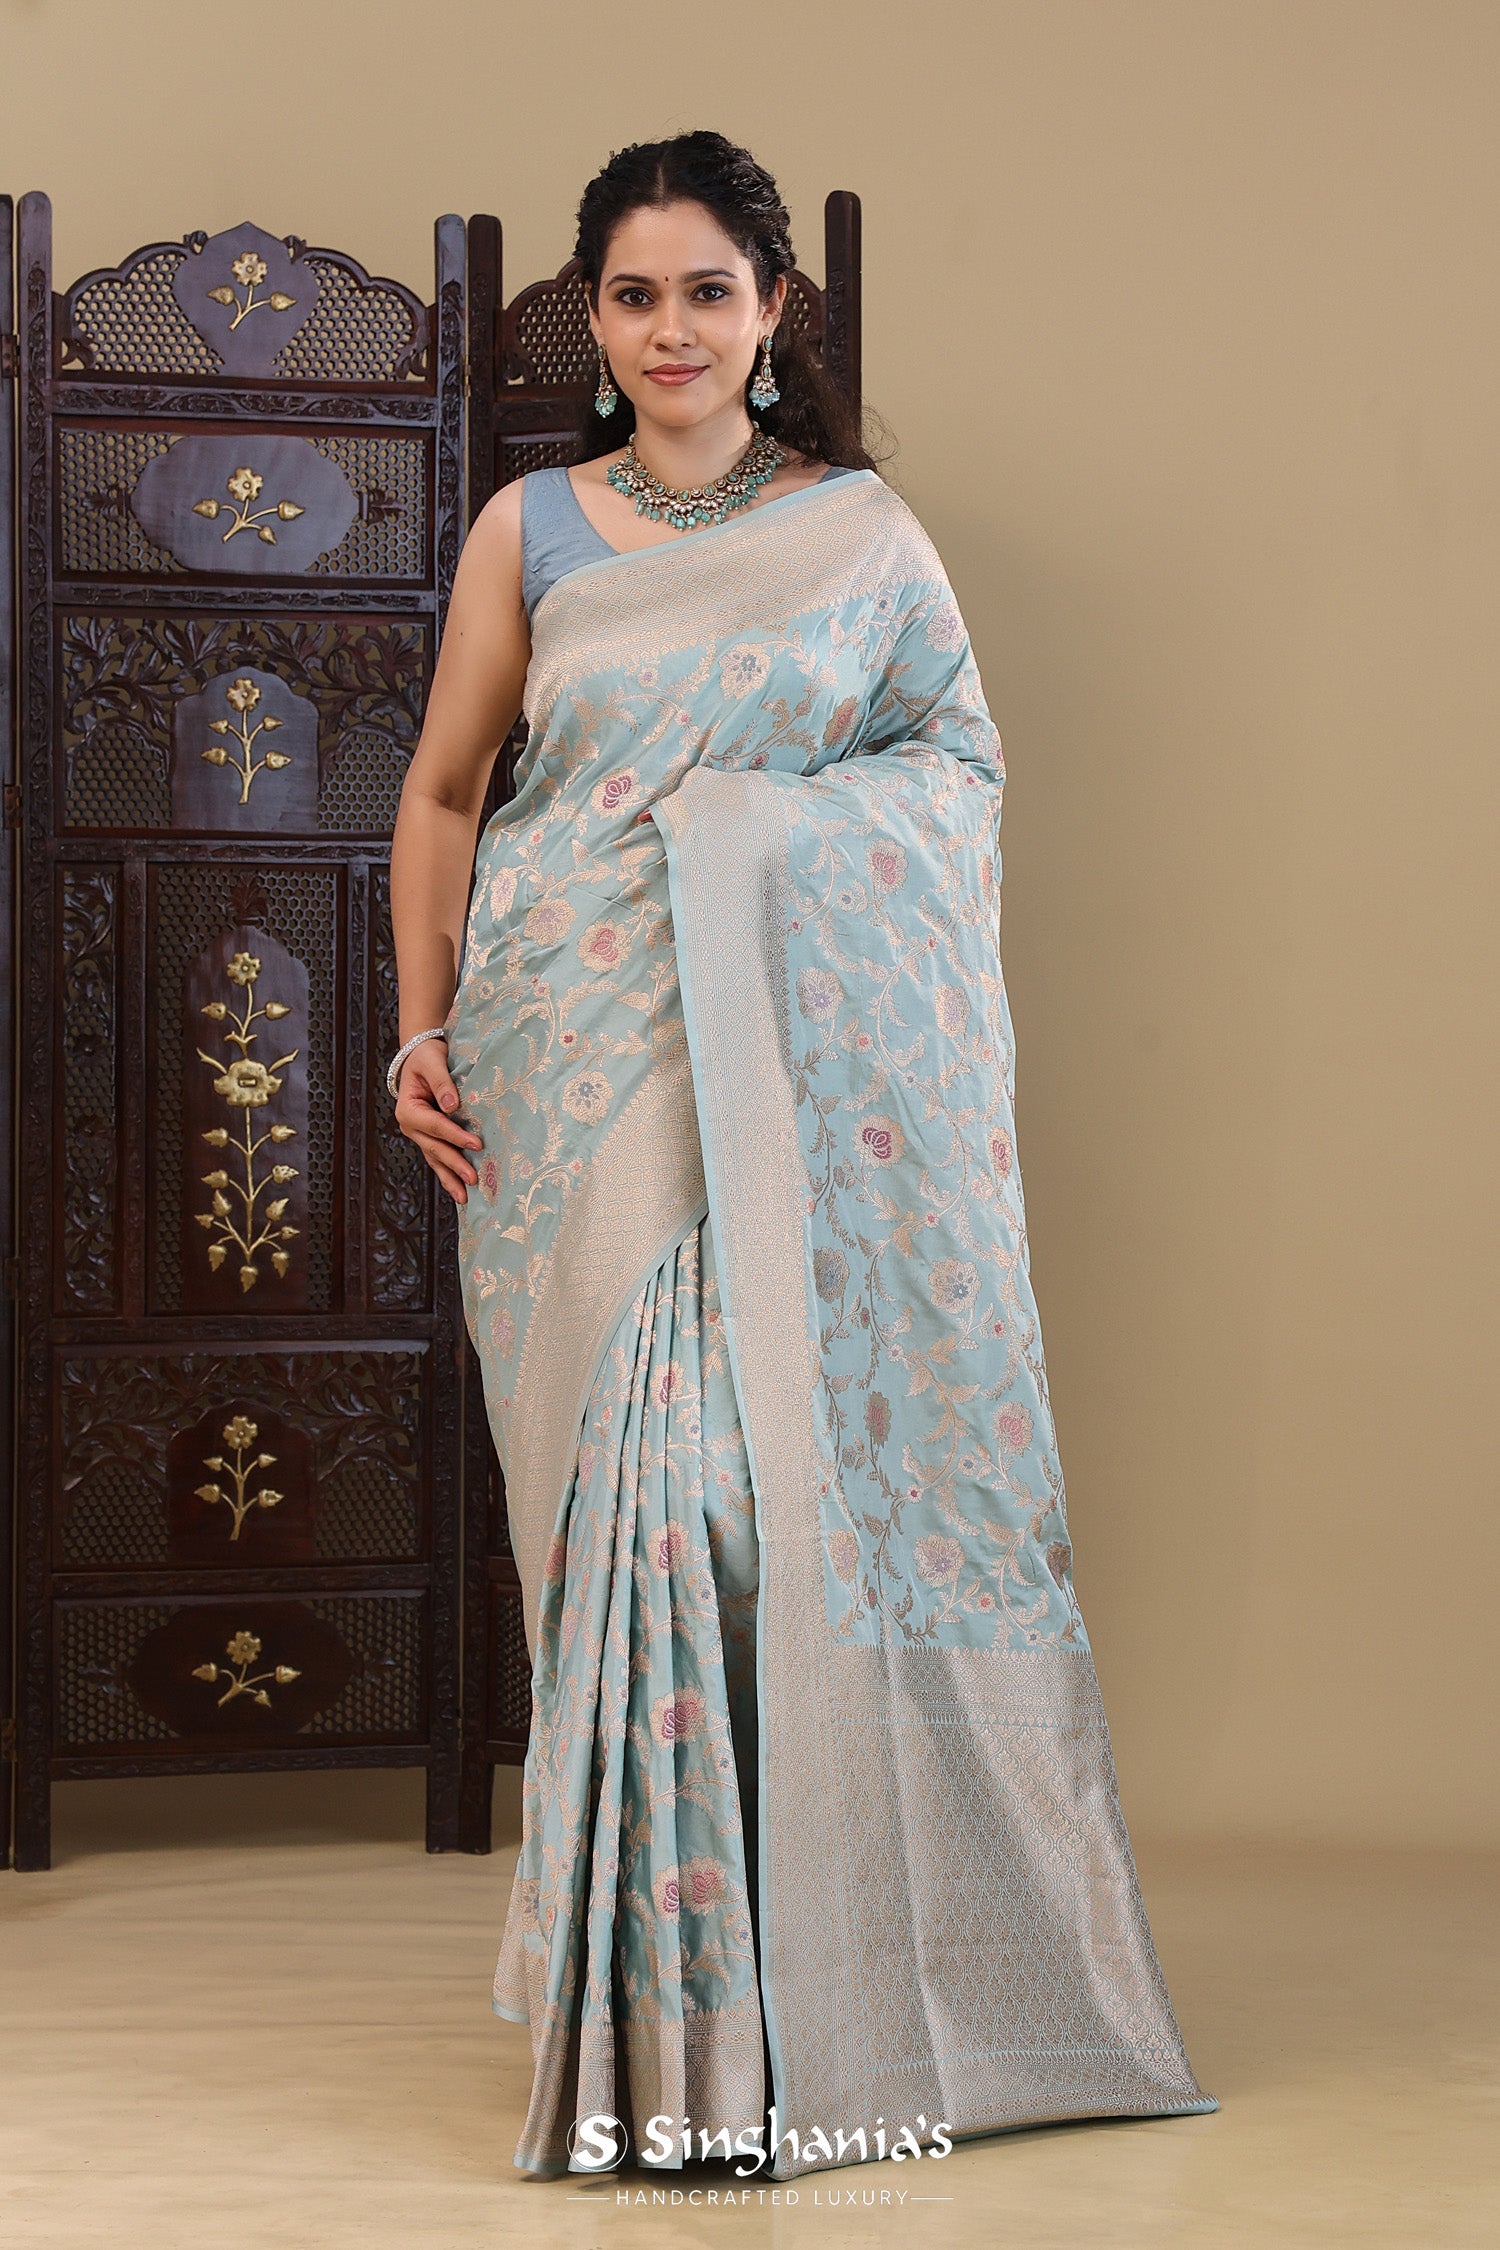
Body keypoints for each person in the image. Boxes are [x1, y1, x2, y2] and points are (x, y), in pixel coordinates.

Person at [388, 128, 1216, 2182]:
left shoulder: (859, 533)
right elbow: (446, 794)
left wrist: (746, 835)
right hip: (566, 1064)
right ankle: (665, 2028)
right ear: (594, 319)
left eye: (708, 291)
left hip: (780, 1069)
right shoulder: (527, 529)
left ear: (774, 312)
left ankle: (806, 2002)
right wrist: (417, 1022)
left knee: (743, 1501)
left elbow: (954, 766)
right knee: (622, 1517)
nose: (670, 329)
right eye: (634, 295)